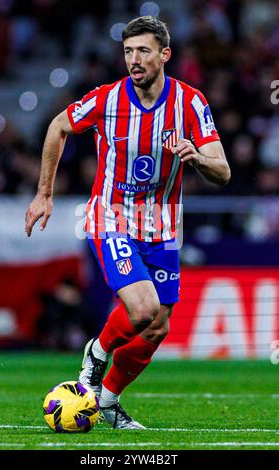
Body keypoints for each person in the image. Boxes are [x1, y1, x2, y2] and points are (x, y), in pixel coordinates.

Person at [25, 16, 231, 429]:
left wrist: (196, 157)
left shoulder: (189, 103)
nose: (133, 60)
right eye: (128, 52)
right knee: (141, 309)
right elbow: (58, 126)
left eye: (143, 51)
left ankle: (109, 401)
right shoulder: (107, 99)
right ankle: (95, 356)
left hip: (163, 226)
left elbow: (223, 171)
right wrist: (44, 192)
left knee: (156, 328)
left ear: (164, 54)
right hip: (111, 216)